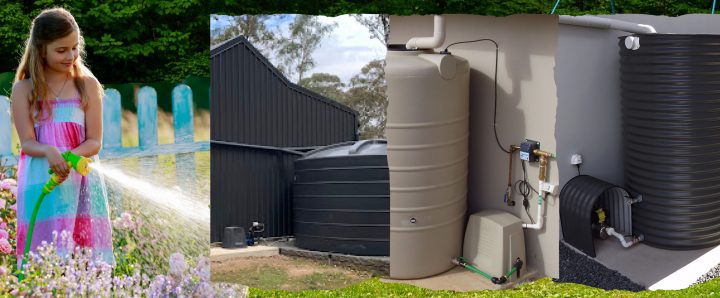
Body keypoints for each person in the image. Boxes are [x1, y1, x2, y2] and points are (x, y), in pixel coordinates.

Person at [10, 7, 114, 269]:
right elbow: (28, 143)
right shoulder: (24, 89)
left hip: (81, 182)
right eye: (61, 50)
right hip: (40, 181)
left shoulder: (86, 85)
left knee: (87, 263)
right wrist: (48, 151)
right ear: (40, 48)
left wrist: (70, 156)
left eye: (75, 48)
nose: (71, 56)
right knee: (42, 264)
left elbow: (94, 141)